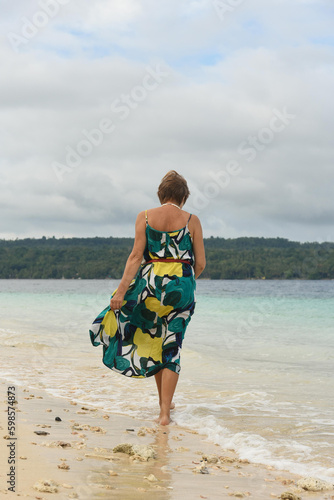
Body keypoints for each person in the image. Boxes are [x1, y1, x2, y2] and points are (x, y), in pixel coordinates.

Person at [89, 170, 206, 425]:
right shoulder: (192, 220)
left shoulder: (144, 217)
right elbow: (201, 263)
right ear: (183, 196)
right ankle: (165, 412)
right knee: (172, 344)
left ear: (161, 193)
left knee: (155, 339)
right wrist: (186, 281)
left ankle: (164, 407)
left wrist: (121, 292)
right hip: (181, 287)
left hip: (150, 285)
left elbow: (135, 257)